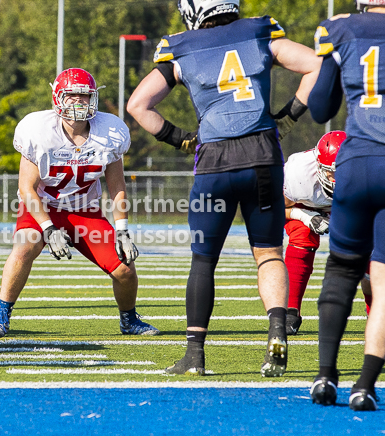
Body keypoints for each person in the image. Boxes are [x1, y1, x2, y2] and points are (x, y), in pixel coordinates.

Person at [127, 0, 321, 377]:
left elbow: (138, 105)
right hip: (263, 154)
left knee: (204, 260)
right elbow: (316, 63)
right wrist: (289, 116)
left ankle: (194, 355)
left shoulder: (182, 47)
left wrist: (182, 138)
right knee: (268, 254)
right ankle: (277, 332)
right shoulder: (259, 32)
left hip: (215, 162)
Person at [0, 67, 157, 338]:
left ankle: (129, 320)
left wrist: (121, 229)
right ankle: (1, 316)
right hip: (43, 206)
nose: (79, 101)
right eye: (72, 95)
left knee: (125, 269)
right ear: (57, 99)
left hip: (85, 211)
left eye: (85, 96)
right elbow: (26, 188)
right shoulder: (38, 130)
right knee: (24, 246)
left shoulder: (109, 132)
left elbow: (116, 186)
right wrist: (49, 230)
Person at [308, 0, 385, 411]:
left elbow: (321, 107)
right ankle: (366, 385)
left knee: (341, 269)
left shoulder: (343, 30)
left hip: (356, 161)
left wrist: (330, 53)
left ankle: (325, 375)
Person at [283, 131, 344, 334]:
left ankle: (375, 309)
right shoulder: (298, 174)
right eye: (332, 172)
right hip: (304, 204)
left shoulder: (369, 171)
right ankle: (291, 310)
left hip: (346, 205)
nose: (337, 178)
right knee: (302, 234)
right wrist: (305, 217)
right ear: (319, 166)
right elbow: (273, 209)